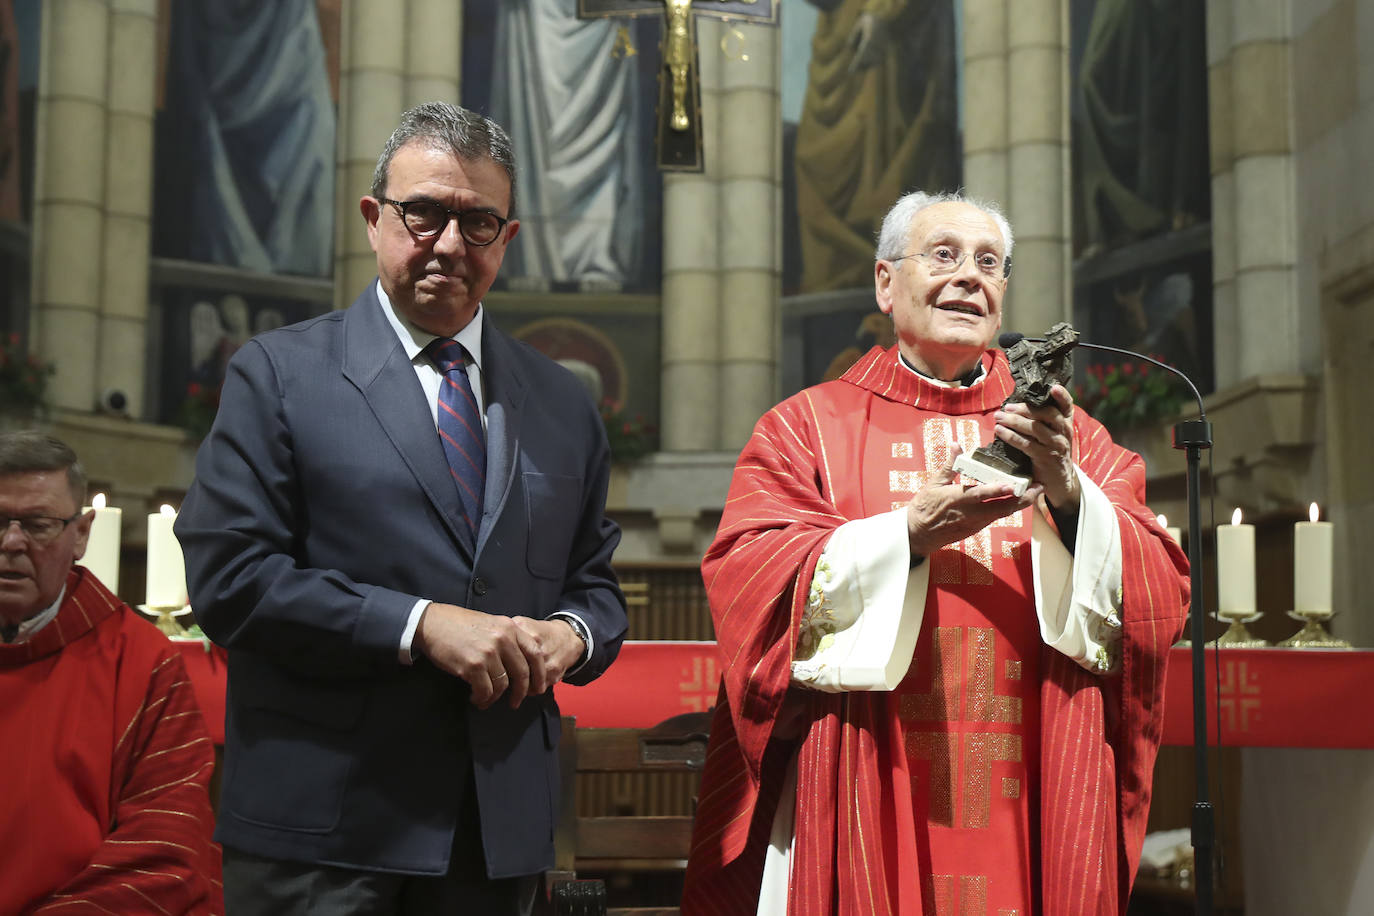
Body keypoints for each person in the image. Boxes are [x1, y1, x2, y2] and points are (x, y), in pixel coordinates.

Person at [176, 101, 628, 914]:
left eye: (478, 222)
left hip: (494, 833)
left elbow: (594, 588)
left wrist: (572, 636)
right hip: (327, 830)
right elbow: (230, 580)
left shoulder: (561, 403)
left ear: (508, 239)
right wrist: (420, 623)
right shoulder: (278, 374)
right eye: (425, 214)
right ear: (374, 217)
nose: (451, 244)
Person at [682, 191, 1190, 914]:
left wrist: (1072, 496)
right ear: (886, 284)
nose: (969, 277)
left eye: (989, 263)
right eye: (943, 255)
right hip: (870, 760)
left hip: (1033, 760)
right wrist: (904, 536)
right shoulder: (806, 428)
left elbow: (1159, 595)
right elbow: (749, 578)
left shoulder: (1069, 437)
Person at [0, 431, 221, 915]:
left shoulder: (142, 664)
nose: (11, 542)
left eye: (37, 524)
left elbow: (166, 846)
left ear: (80, 534)